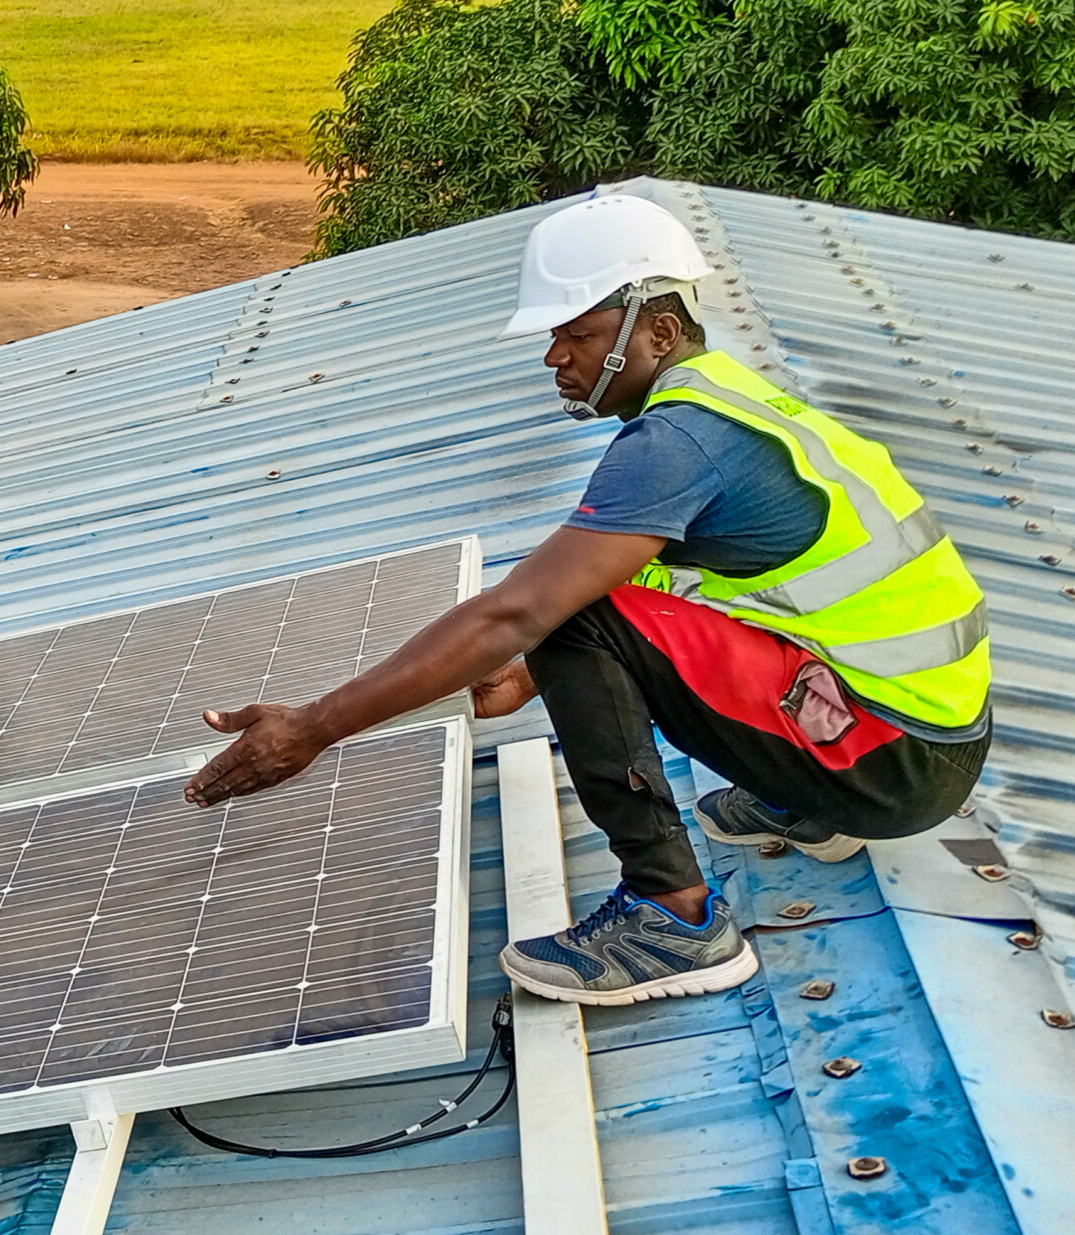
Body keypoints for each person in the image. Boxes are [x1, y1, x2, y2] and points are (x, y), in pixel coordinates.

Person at [182, 194, 990, 1008]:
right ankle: (809, 803)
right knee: (590, 601)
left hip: (894, 760)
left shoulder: (675, 444)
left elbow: (516, 613)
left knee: (571, 614)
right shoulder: (729, 399)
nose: (554, 357)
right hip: (931, 733)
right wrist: (527, 677)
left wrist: (313, 728)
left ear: (658, 332)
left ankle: (673, 916)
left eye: (579, 334)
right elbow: (674, 585)